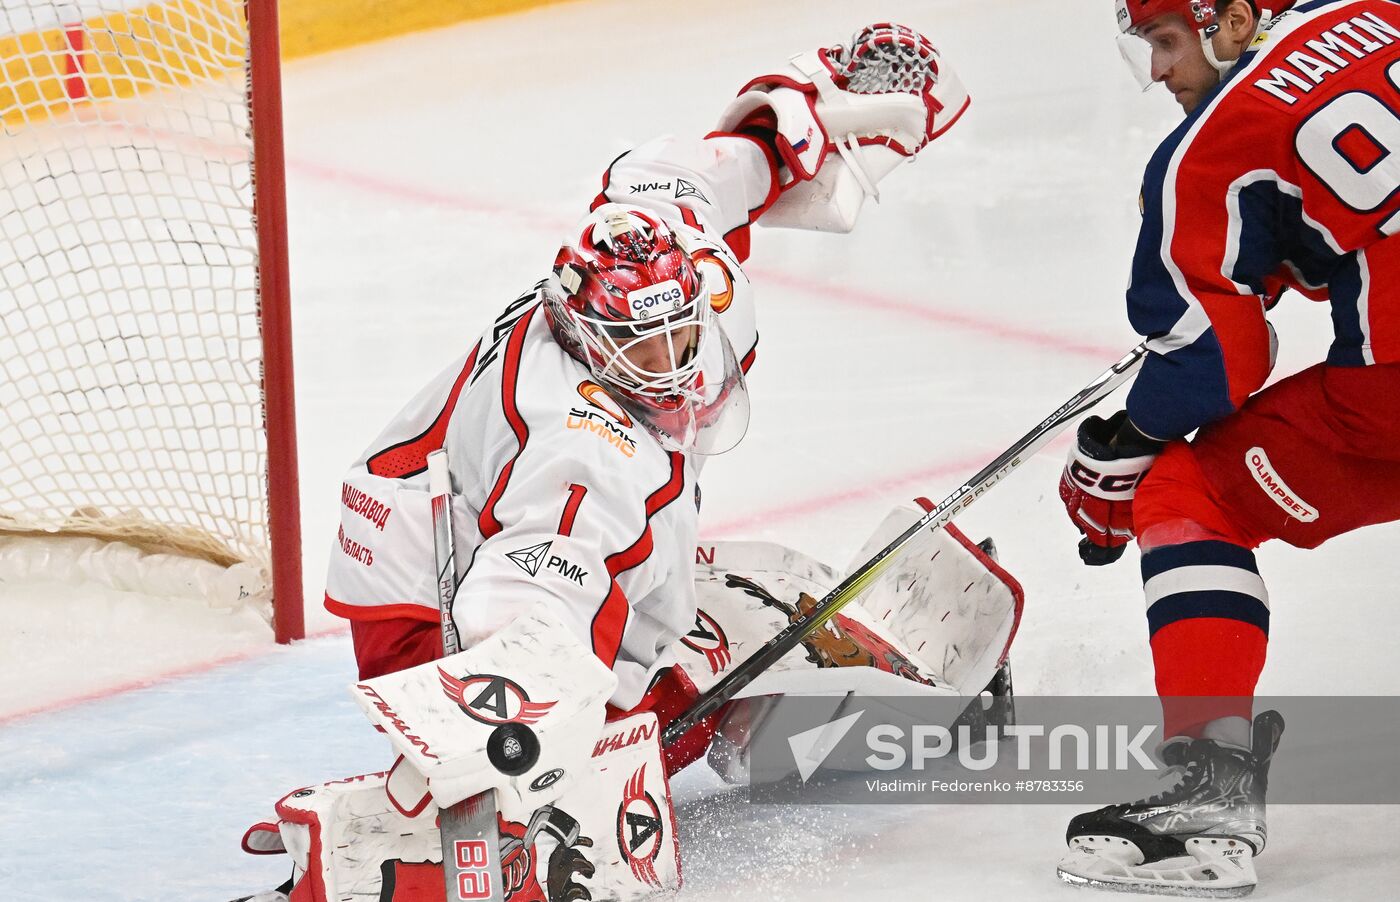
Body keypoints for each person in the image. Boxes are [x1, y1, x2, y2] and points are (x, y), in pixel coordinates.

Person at [235, 24, 1023, 902]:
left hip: (433, 520)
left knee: (686, 606)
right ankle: (468, 800)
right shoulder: (587, 448)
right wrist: (485, 785)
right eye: (643, 350)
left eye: (681, 335)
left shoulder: (668, 249)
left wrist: (794, 125)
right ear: (586, 336)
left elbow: (696, 173)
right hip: (438, 610)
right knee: (689, 684)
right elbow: (523, 608)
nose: (675, 365)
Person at [1057, 0, 1400, 894]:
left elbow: (1217, 364)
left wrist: (1127, 444)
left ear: (1236, 20)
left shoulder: (1210, 145)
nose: (1160, 72)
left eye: (1167, 43)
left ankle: (1210, 787)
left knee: (1188, 489)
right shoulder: (1381, 14)